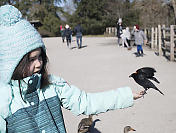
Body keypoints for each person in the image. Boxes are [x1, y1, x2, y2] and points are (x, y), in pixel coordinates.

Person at [0, 5, 144, 133]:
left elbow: (86, 101)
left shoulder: (52, 85)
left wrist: (125, 96)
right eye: (31, 59)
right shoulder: (4, 101)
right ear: (11, 63)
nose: (39, 64)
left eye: (40, 57)